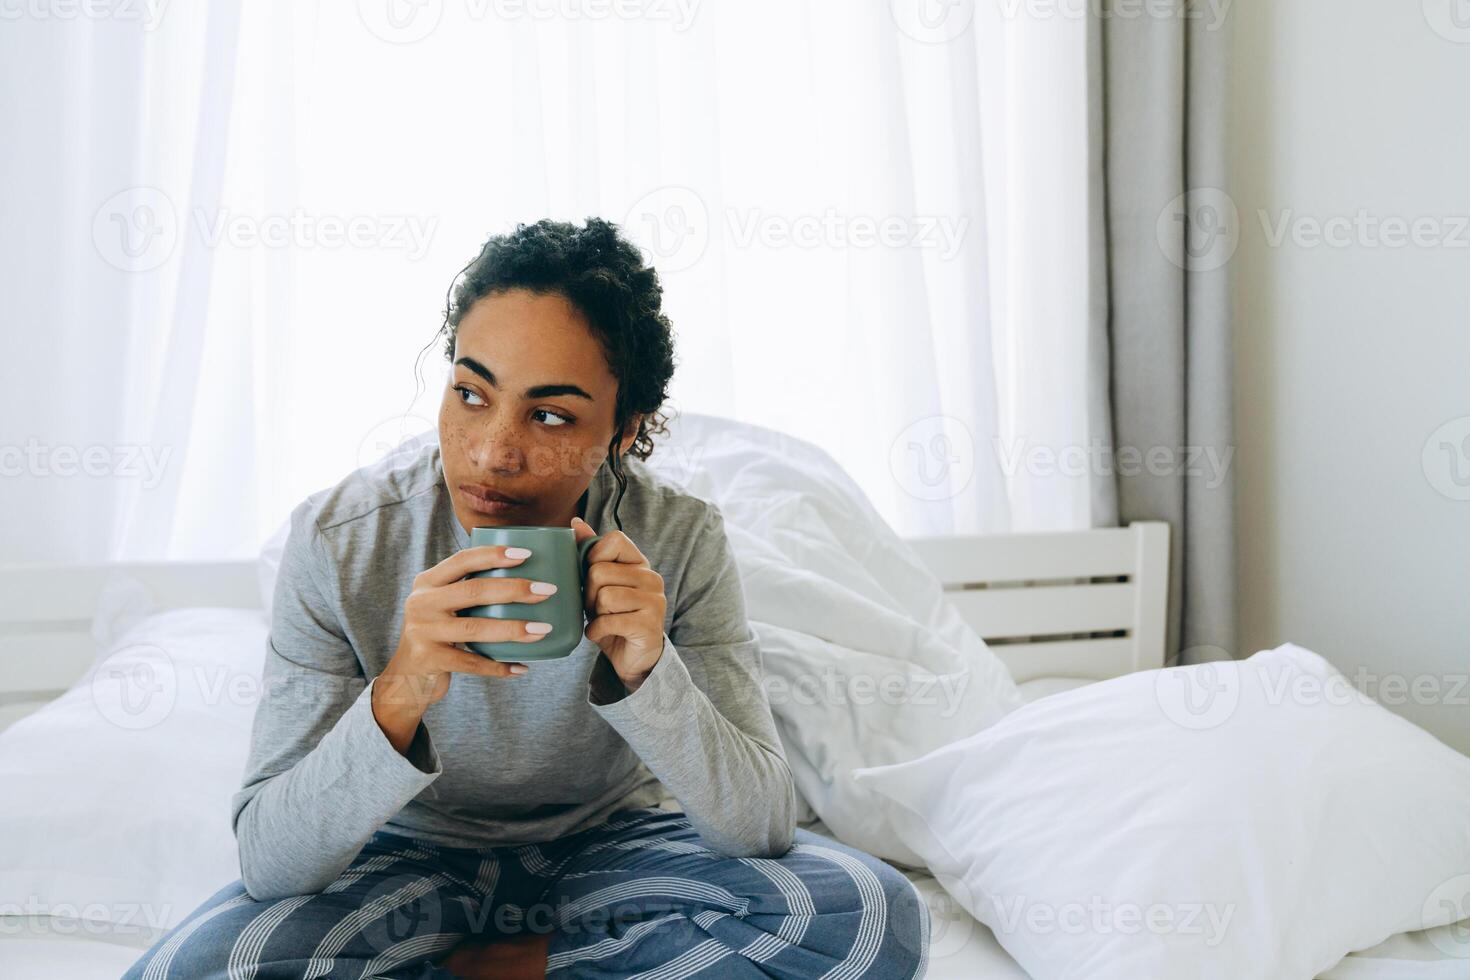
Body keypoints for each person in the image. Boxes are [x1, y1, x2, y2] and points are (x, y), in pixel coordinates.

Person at [123, 218, 928, 979]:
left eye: (548, 414)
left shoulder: (678, 539)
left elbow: (758, 826)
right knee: (193, 969)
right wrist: (402, 686)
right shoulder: (341, 541)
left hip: (613, 850)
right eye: (472, 394)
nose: (493, 453)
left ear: (623, 430)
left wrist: (651, 676)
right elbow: (270, 859)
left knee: (868, 914)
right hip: (402, 862)